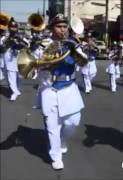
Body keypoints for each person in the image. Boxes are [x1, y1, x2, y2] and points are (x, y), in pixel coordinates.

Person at [30, 14, 88, 170]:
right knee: (52, 125)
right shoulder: (43, 45)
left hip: (69, 88)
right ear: (52, 28)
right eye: (58, 26)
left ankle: (63, 140)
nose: (62, 29)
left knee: (73, 122)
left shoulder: (73, 43)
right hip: (49, 89)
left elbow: (83, 63)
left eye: (64, 26)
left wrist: (74, 49)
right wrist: (45, 63)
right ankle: (55, 156)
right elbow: (31, 67)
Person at [3, 18, 29, 101]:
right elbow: (1, 48)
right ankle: (14, 91)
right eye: (11, 27)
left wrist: (20, 41)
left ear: (17, 28)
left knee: (18, 77)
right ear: (8, 27)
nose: (13, 28)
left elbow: (27, 44)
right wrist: (7, 44)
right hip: (9, 60)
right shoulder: (5, 37)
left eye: (14, 27)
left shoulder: (21, 36)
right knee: (10, 77)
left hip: (19, 59)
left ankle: (16, 89)